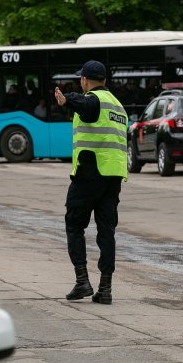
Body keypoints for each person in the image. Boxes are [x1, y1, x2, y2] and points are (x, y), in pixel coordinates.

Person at [53, 60, 128, 305]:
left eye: (81, 80)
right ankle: (105, 289)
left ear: (85, 80)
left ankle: (82, 281)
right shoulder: (118, 106)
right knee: (107, 231)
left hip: (90, 172)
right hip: (113, 176)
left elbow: (85, 103)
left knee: (74, 224)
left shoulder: (93, 100)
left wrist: (66, 99)